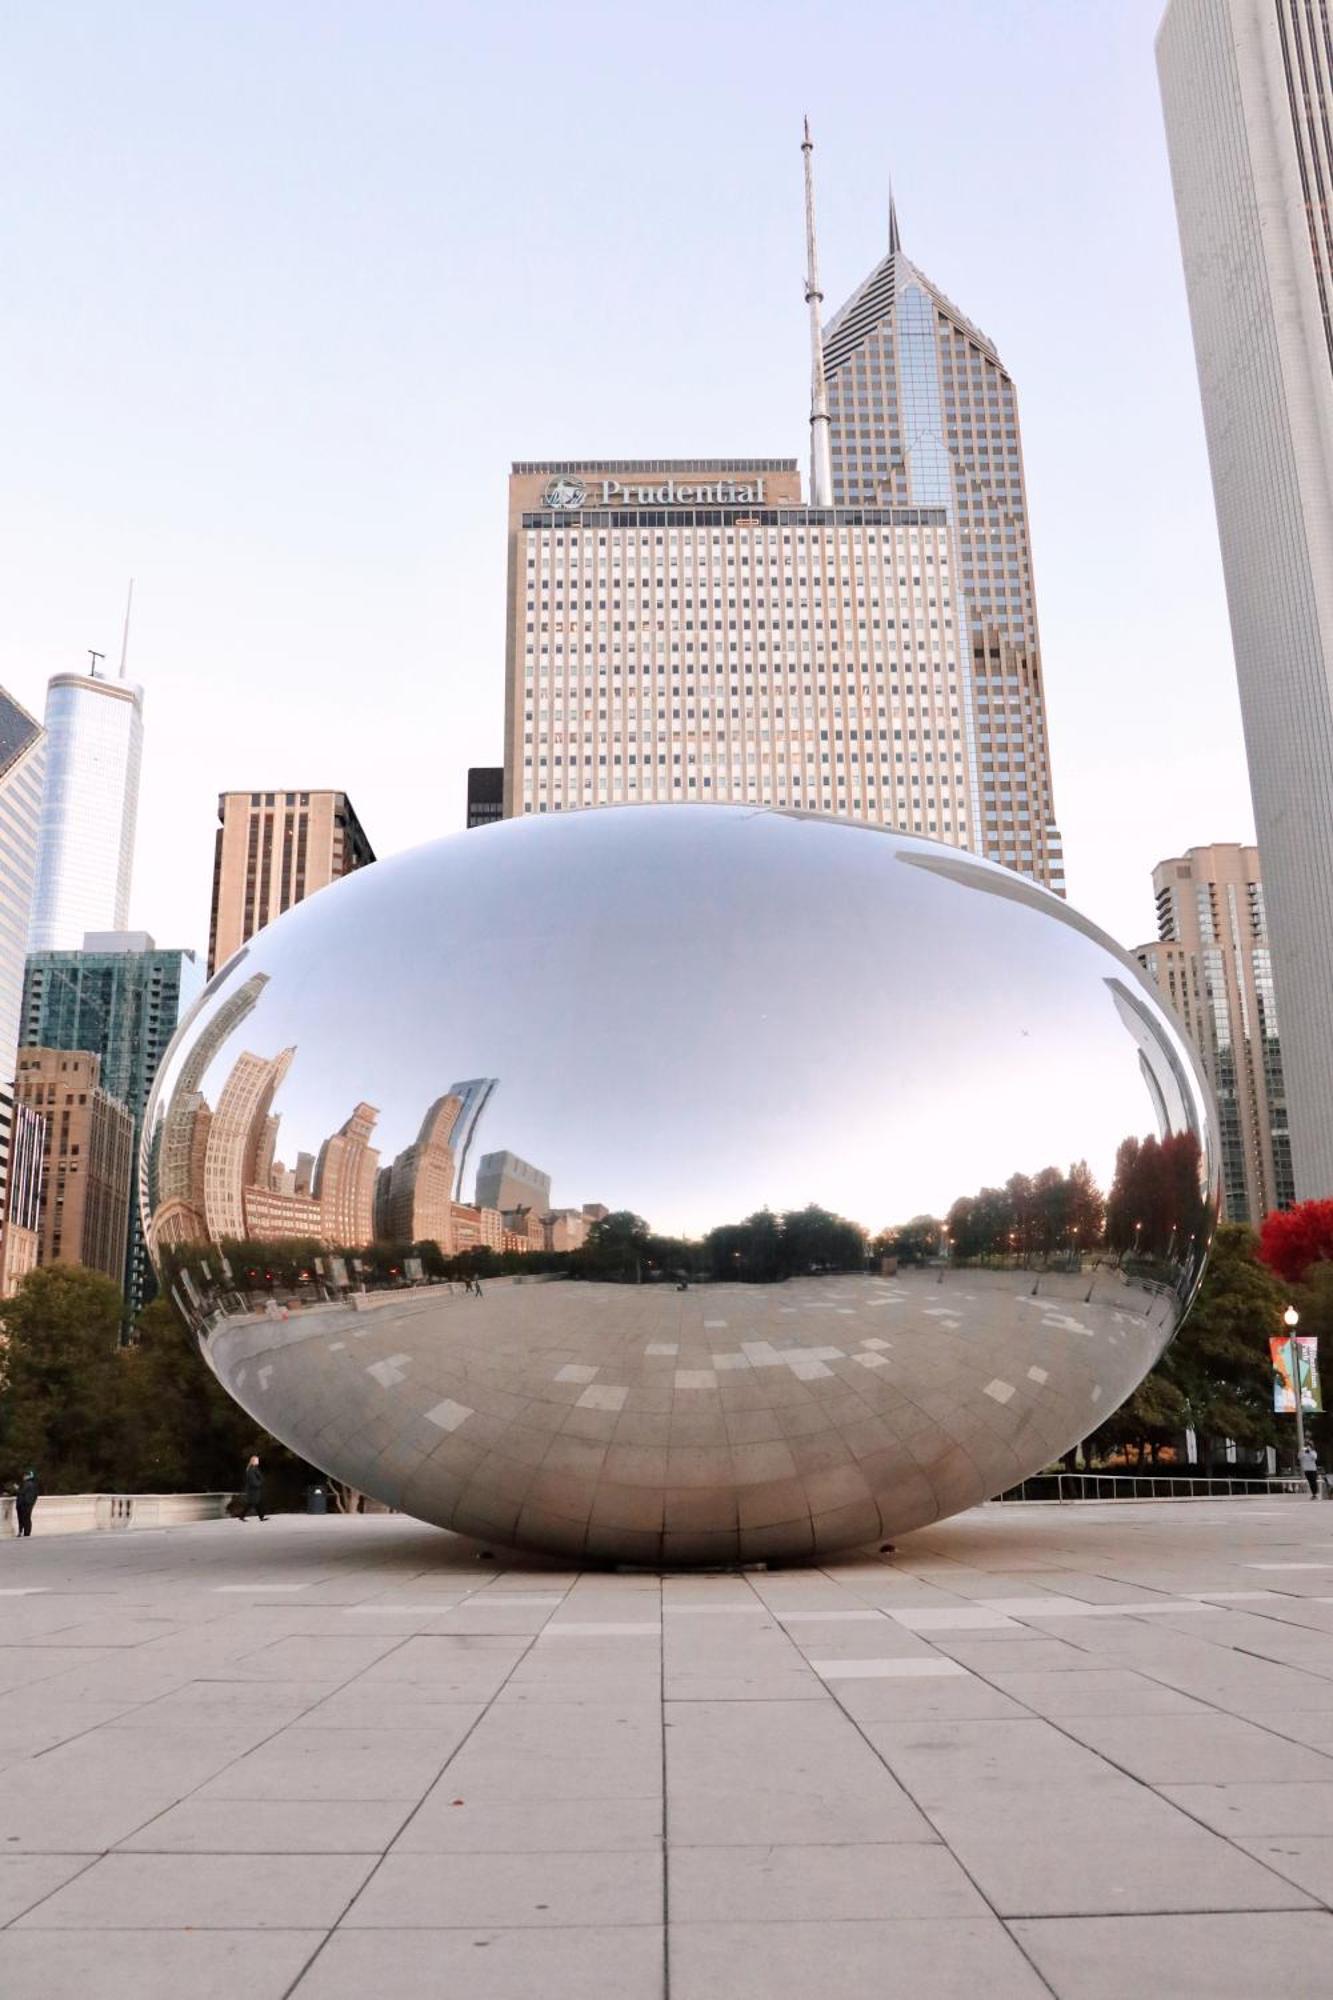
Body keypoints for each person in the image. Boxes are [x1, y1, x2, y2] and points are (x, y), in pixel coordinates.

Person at [239, 1454, 267, 1522]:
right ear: (253, 1461)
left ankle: (261, 1517)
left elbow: (258, 1478)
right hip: (253, 1490)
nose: (258, 1461)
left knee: (257, 1503)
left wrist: (260, 1482)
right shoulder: (251, 1470)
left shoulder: (254, 1469)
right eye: (257, 1460)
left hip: (255, 1490)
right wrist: (259, 1484)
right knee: (251, 1504)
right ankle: (242, 1516)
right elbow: (253, 1481)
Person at [14, 1468, 38, 1538]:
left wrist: (17, 1488)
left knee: (23, 1519)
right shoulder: (34, 1485)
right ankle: (27, 1533)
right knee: (27, 1519)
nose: (23, 1476)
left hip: (23, 1505)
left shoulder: (27, 1484)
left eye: (25, 1475)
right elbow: (35, 1495)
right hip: (29, 1504)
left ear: (29, 1476)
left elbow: (21, 1493)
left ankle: (23, 1533)